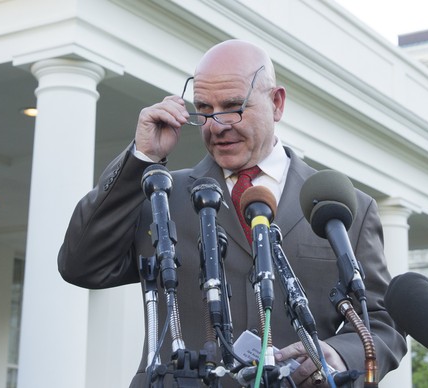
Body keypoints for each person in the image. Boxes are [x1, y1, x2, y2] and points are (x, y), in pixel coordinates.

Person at [58, 39, 407, 387]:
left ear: (277, 103)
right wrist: (142, 160)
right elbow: (83, 265)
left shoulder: (346, 207)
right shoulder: (160, 194)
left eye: (233, 107)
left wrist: (338, 353)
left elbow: (382, 322)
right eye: (204, 108)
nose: (217, 124)